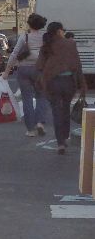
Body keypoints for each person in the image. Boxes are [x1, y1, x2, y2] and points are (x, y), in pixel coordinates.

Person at [36, 21, 85, 155]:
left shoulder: (46, 46)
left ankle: (60, 143)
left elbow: (40, 66)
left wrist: (41, 80)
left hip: (52, 82)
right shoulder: (70, 44)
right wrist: (82, 84)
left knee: (56, 111)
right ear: (59, 31)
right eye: (63, 30)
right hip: (68, 82)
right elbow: (77, 65)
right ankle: (65, 135)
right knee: (66, 109)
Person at [2, 13, 49, 137]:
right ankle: (40, 122)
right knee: (41, 97)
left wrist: (7, 71)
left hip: (23, 69)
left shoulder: (24, 36)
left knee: (27, 99)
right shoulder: (45, 37)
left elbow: (14, 53)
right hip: (40, 69)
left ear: (29, 24)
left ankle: (30, 130)